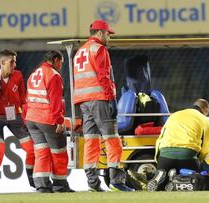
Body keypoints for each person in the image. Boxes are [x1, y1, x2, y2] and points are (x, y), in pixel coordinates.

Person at [73, 19, 134, 192]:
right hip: (100, 98)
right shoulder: (99, 49)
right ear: (100, 33)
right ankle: (116, 181)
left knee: (91, 141)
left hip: (83, 101)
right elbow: (103, 76)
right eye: (108, 34)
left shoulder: (80, 52)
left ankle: (93, 184)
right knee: (112, 138)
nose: (109, 37)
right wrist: (111, 98)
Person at [25, 50, 73, 193]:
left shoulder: (34, 74)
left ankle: (42, 186)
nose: (61, 66)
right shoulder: (53, 76)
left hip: (32, 119)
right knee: (59, 152)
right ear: (56, 60)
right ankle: (60, 185)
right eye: (61, 63)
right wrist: (59, 121)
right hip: (47, 119)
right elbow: (55, 102)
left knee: (41, 152)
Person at [147, 99, 209, 191]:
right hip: (187, 156)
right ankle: (177, 181)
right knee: (198, 181)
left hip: (164, 156)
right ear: (205, 110)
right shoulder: (204, 119)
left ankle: (165, 177)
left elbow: (160, 139)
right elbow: (205, 148)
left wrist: (159, 160)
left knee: (161, 186)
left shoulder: (174, 115)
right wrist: (199, 161)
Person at [0, 49, 35, 188]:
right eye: (12, 62)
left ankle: (32, 179)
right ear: (2, 62)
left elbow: (23, 98)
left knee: (31, 149)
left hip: (14, 117)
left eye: (15, 62)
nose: (15, 65)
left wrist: (27, 116)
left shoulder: (18, 75)